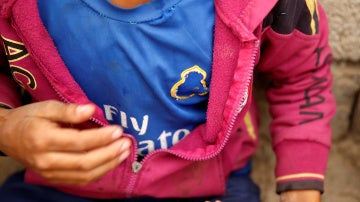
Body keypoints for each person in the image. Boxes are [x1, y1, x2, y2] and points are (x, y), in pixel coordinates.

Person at [0, 0, 336, 201]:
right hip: (60, 185)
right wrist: (6, 128)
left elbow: (301, 74)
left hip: (207, 187)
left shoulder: (272, 6)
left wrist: (301, 188)